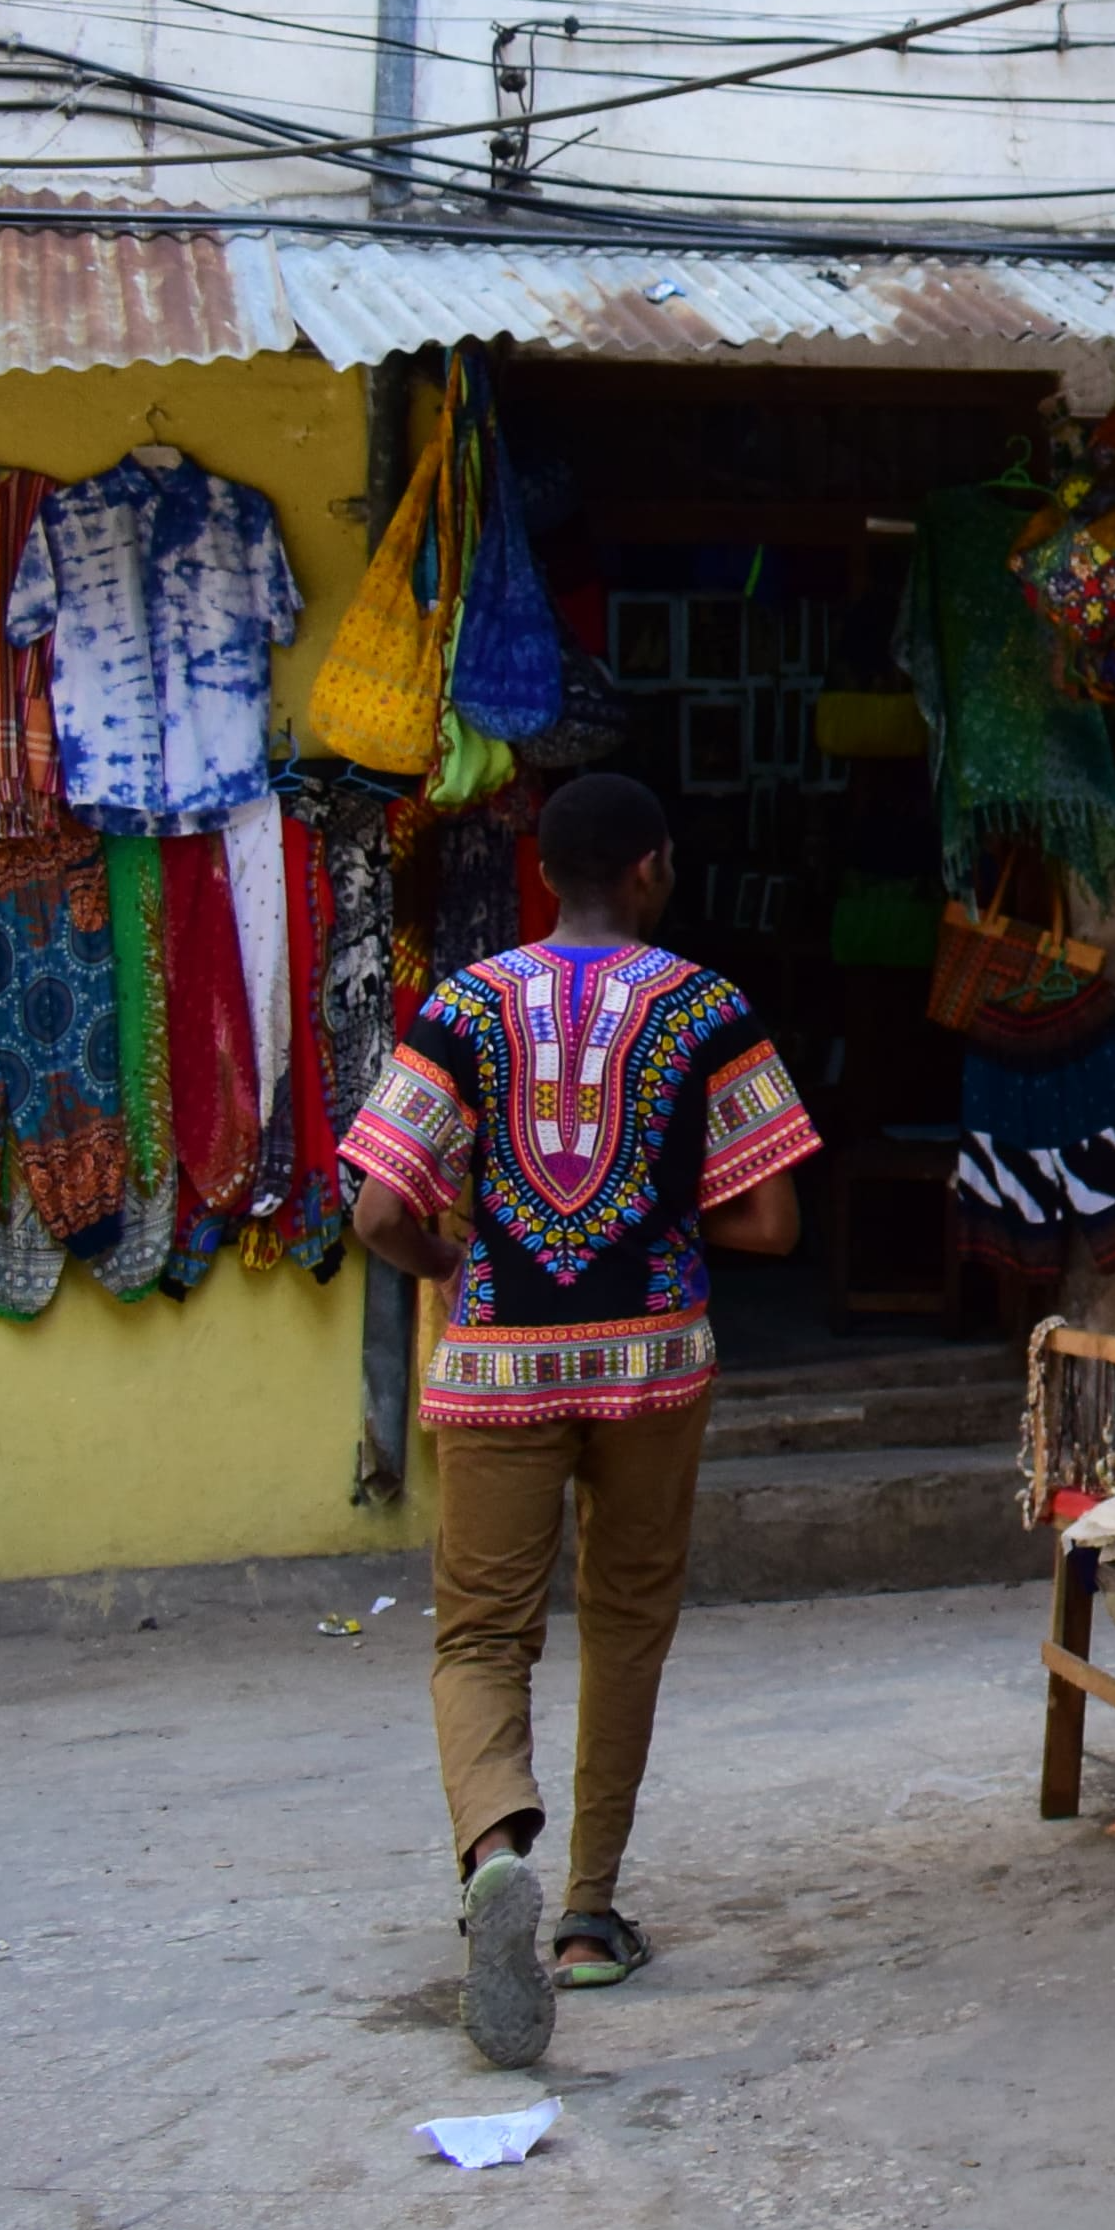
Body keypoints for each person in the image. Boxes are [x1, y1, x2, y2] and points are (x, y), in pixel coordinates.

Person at [342, 772, 819, 2068]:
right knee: (627, 1618)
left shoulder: (463, 1007)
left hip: (496, 1359)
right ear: (654, 869)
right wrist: (661, 1223)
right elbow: (773, 1219)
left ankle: (495, 1850)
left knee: (482, 1631)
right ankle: (590, 1917)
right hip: (653, 1353)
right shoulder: (706, 1008)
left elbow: (379, 1209)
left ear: (547, 871)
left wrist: (456, 1266)